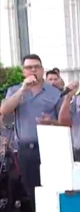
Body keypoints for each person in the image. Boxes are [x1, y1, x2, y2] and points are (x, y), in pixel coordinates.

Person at [0, 53, 67, 196]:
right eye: (29, 68)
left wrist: (50, 122)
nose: (33, 71)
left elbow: (65, 122)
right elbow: (5, 110)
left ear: (42, 70)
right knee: (32, 193)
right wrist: (23, 90)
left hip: (50, 149)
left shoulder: (54, 92)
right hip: (26, 150)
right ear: (23, 71)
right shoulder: (15, 90)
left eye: (37, 67)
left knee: (52, 193)